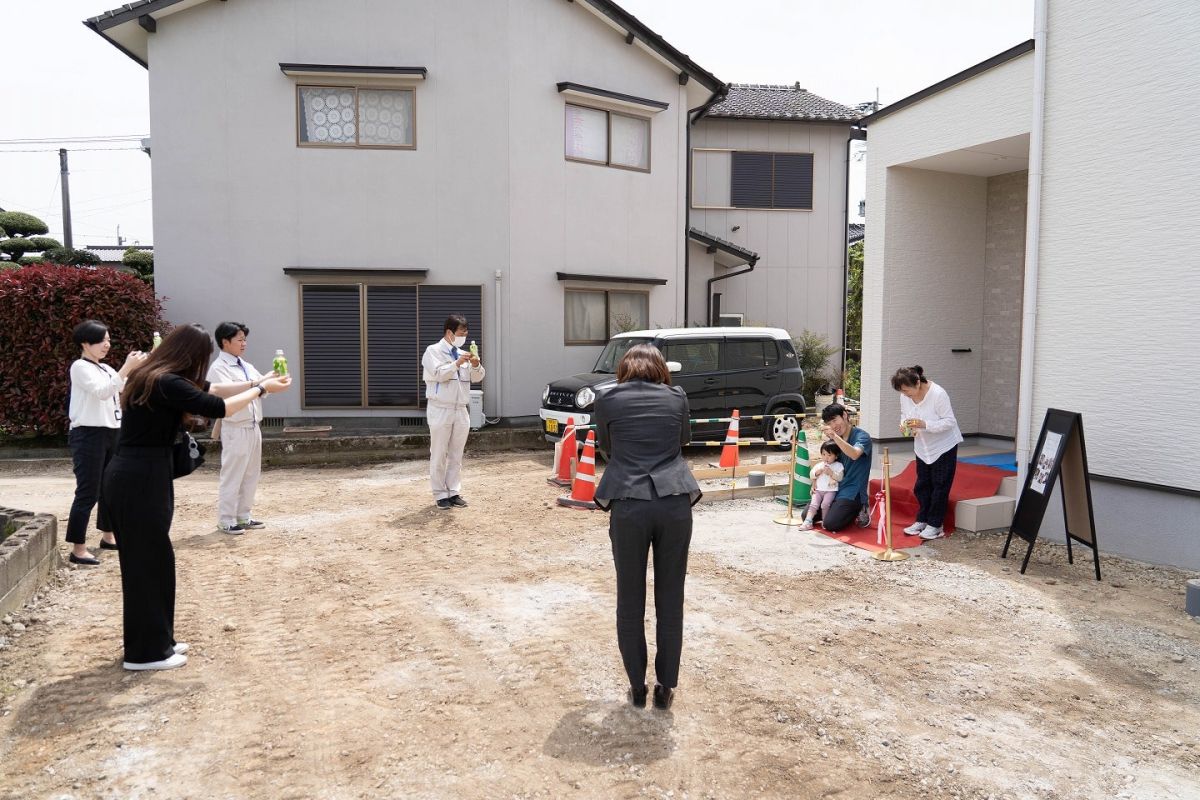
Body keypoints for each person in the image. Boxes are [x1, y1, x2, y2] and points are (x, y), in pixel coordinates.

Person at [103, 324, 291, 671]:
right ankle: (144, 654)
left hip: (141, 476)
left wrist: (256, 384)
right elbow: (217, 406)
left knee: (155, 563)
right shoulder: (166, 382)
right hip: (139, 479)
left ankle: (160, 639)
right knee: (146, 566)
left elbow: (214, 389)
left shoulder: (157, 375)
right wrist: (262, 388)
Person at [593, 344, 701, 711]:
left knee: (630, 596)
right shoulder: (677, 396)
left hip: (628, 501)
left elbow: (606, 447)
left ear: (624, 368)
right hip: (673, 500)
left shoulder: (606, 398)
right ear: (660, 368)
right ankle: (666, 686)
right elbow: (684, 440)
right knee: (671, 598)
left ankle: (637, 686)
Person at [65, 320, 148, 565]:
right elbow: (102, 392)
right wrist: (126, 367)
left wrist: (137, 367)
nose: (107, 345)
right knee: (88, 491)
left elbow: (120, 388)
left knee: (111, 488)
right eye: (101, 340)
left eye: (108, 340)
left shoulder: (107, 368)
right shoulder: (80, 367)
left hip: (112, 431)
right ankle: (78, 548)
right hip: (88, 434)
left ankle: (108, 536)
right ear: (85, 343)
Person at [206, 322, 273, 535]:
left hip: (253, 425)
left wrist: (263, 384)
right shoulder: (218, 368)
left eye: (245, 339)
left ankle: (244, 515)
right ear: (225, 342)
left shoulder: (245, 365)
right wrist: (257, 386)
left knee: (251, 473)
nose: (244, 344)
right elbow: (230, 395)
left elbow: (265, 388)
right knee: (233, 474)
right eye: (239, 340)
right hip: (235, 427)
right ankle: (226, 519)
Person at [892, 365, 963, 540]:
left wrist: (925, 425)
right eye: (902, 392)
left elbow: (950, 422)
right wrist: (904, 425)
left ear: (918, 382)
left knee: (940, 486)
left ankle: (935, 524)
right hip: (922, 446)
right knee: (922, 485)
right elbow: (904, 414)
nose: (906, 395)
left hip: (943, 446)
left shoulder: (938, 394)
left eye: (907, 391)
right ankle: (922, 519)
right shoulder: (905, 396)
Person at [421, 314, 484, 510]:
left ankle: (454, 491)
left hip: (460, 410)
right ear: (449, 333)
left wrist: (476, 365)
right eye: (461, 333)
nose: (464, 336)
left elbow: (477, 377)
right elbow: (439, 374)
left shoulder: (463, 353)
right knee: (439, 453)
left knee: (456, 454)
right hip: (440, 408)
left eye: (466, 333)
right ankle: (440, 494)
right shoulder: (433, 351)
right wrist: (456, 364)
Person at [818, 403, 873, 531]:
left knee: (830, 524)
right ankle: (837, 509)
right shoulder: (834, 440)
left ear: (844, 415)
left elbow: (854, 454)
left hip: (853, 491)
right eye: (829, 423)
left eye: (834, 420)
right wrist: (816, 480)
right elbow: (827, 460)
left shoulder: (862, 436)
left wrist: (834, 437)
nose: (833, 426)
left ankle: (861, 507)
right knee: (807, 515)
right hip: (833, 487)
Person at [799, 440, 844, 531]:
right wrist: (816, 473)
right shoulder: (819, 465)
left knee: (825, 504)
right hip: (818, 490)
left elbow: (840, 477)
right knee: (813, 505)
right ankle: (808, 521)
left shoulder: (839, 465)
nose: (826, 457)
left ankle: (825, 521)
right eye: (823, 454)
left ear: (836, 456)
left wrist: (831, 473)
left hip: (830, 490)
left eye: (829, 455)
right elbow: (811, 474)